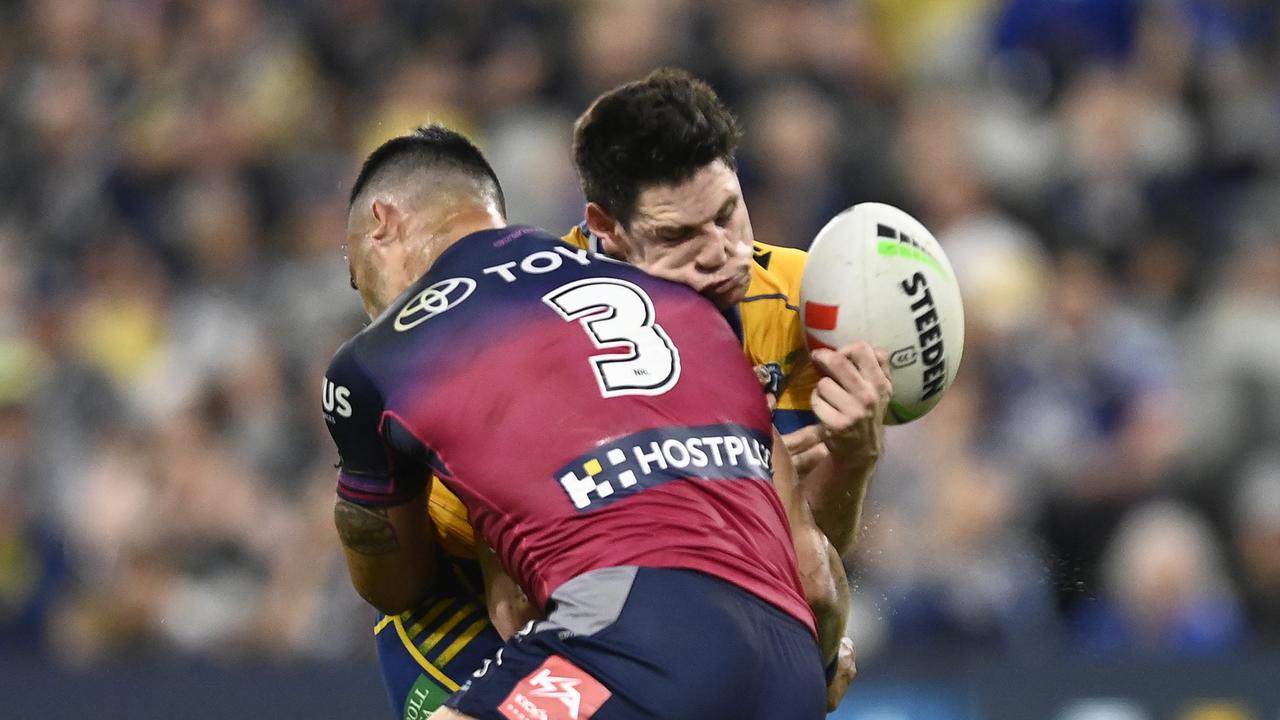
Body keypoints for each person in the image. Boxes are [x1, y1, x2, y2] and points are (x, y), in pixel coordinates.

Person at [386, 68, 885, 718]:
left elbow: (796, 563)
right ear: (606, 228)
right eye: (680, 237)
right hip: (466, 617)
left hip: (660, 621)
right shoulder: (525, 341)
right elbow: (513, 600)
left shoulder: (799, 303)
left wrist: (853, 456)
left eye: (729, 213)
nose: (724, 254)